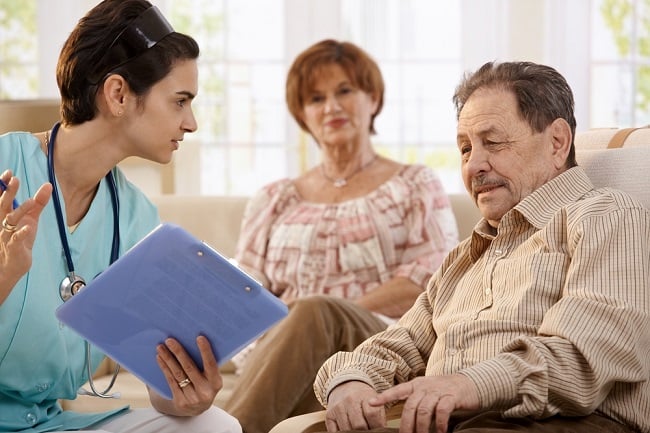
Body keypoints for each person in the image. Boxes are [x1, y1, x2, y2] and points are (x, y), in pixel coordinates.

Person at [314, 61, 650, 433]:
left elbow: (584, 358)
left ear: (557, 143)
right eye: (464, 149)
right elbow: (397, 345)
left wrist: (468, 384)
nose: (473, 165)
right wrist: (351, 381)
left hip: (561, 422)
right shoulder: (463, 258)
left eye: (493, 143)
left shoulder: (606, 216)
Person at [0, 1, 241, 432]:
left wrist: (183, 397)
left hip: (49, 425)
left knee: (212, 425)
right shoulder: (5, 167)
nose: (192, 123)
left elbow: (155, 377)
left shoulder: (135, 217)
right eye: (180, 101)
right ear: (118, 94)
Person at [223, 39, 459, 433]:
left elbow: (430, 282)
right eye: (316, 98)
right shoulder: (273, 198)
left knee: (315, 312)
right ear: (303, 114)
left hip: (378, 345)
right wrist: (291, 326)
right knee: (308, 317)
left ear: (373, 98)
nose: (330, 106)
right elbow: (244, 291)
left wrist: (319, 315)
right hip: (284, 354)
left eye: (344, 91)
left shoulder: (415, 184)